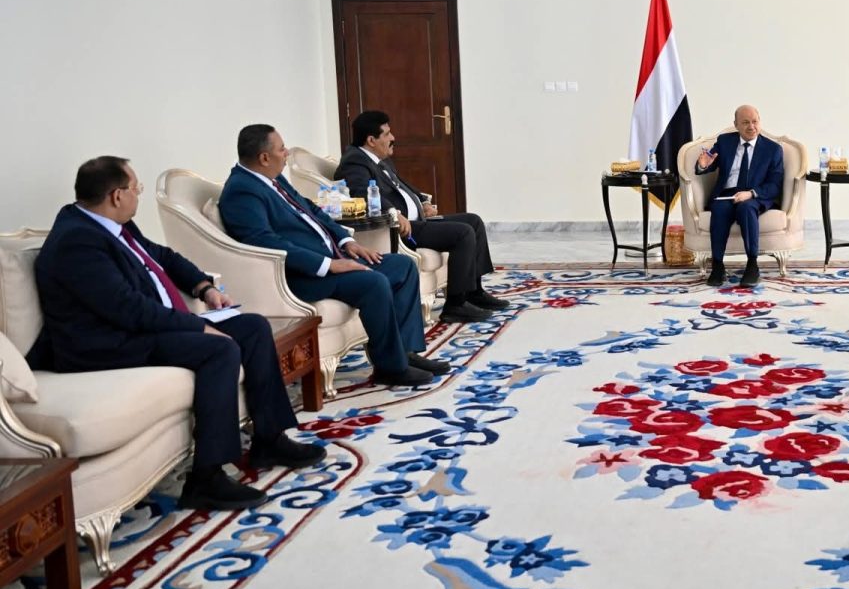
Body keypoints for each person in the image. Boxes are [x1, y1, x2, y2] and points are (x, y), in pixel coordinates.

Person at [27, 156, 326, 511]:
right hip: (105, 343)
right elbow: (127, 309)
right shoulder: (77, 242)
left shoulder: (111, 223)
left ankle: (269, 439)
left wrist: (203, 287)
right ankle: (206, 478)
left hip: (142, 326)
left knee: (253, 326)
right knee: (219, 350)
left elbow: (163, 257)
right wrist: (199, 326)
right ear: (117, 196)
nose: (139, 193)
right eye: (135, 187)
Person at [218, 124, 444, 387]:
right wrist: (329, 265)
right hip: (304, 275)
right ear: (264, 158)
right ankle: (390, 368)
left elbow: (313, 210)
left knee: (402, 266)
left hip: (333, 256)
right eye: (281, 149)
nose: (286, 153)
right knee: (374, 282)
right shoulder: (242, 191)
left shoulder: (273, 178)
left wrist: (347, 241)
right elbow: (266, 243)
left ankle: (404, 353)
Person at [336, 110, 507, 323]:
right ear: (371, 140)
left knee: (474, 221)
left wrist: (422, 201)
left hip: (418, 221)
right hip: (402, 228)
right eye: (387, 134)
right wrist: (395, 213)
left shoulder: (380, 159)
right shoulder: (355, 162)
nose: (393, 138)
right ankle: (456, 305)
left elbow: (402, 186)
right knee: (463, 233)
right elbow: (362, 193)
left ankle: (474, 292)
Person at [695, 105, 784, 287]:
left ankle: (752, 265)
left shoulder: (773, 149)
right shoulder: (725, 141)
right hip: (727, 194)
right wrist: (703, 165)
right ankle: (717, 266)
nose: (751, 126)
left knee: (746, 208)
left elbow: (775, 185)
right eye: (745, 122)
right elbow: (710, 162)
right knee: (719, 209)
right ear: (736, 125)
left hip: (755, 195)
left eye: (755, 121)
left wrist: (750, 194)